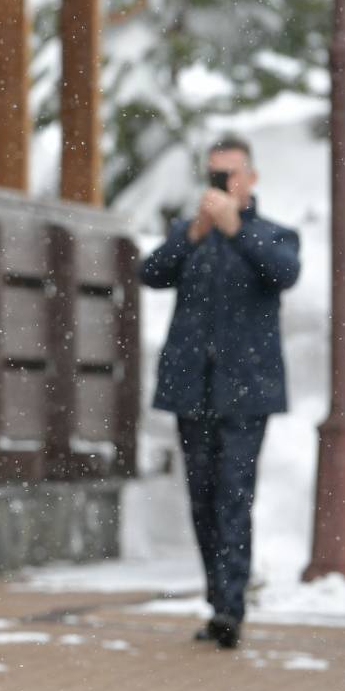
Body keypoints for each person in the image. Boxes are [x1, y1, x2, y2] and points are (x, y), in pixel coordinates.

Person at [139, 134, 300, 651]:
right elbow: (151, 272)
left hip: (247, 393)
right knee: (203, 500)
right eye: (215, 174)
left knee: (234, 497)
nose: (223, 183)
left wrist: (237, 231)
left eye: (232, 174)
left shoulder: (275, 235)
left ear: (250, 179)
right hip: (193, 389)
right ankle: (218, 600)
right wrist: (195, 232)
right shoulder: (190, 234)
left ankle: (230, 606)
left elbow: (285, 272)